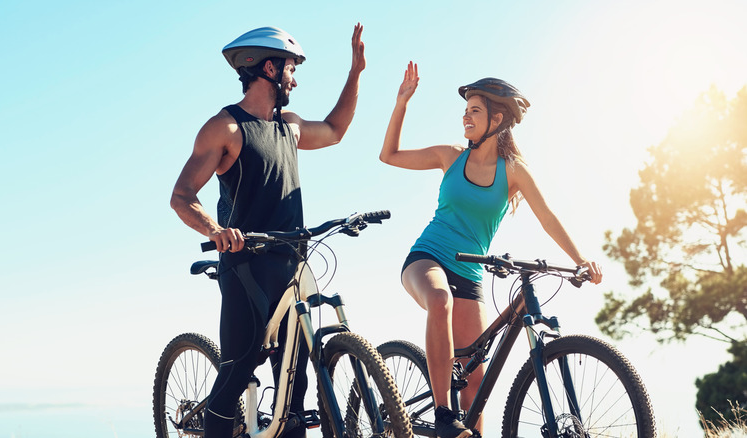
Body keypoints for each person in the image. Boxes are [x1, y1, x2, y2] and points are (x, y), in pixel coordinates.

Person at [379, 62, 603, 438]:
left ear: (497, 119)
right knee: (439, 298)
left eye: (475, 111)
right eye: (465, 111)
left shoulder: (513, 171)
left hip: (471, 272)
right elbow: (390, 155)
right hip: (428, 257)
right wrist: (401, 103)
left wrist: (580, 260)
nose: (465, 117)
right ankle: (442, 413)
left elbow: (547, 217)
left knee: (476, 385)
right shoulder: (451, 156)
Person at [170, 24, 366, 438]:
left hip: (292, 263)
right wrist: (217, 229)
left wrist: (356, 74)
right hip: (245, 266)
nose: (295, 77)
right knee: (238, 370)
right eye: (291, 68)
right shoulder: (225, 128)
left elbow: (335, 130)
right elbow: (183, 194)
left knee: (295, 388)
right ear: (270, 69)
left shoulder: (289, 127)